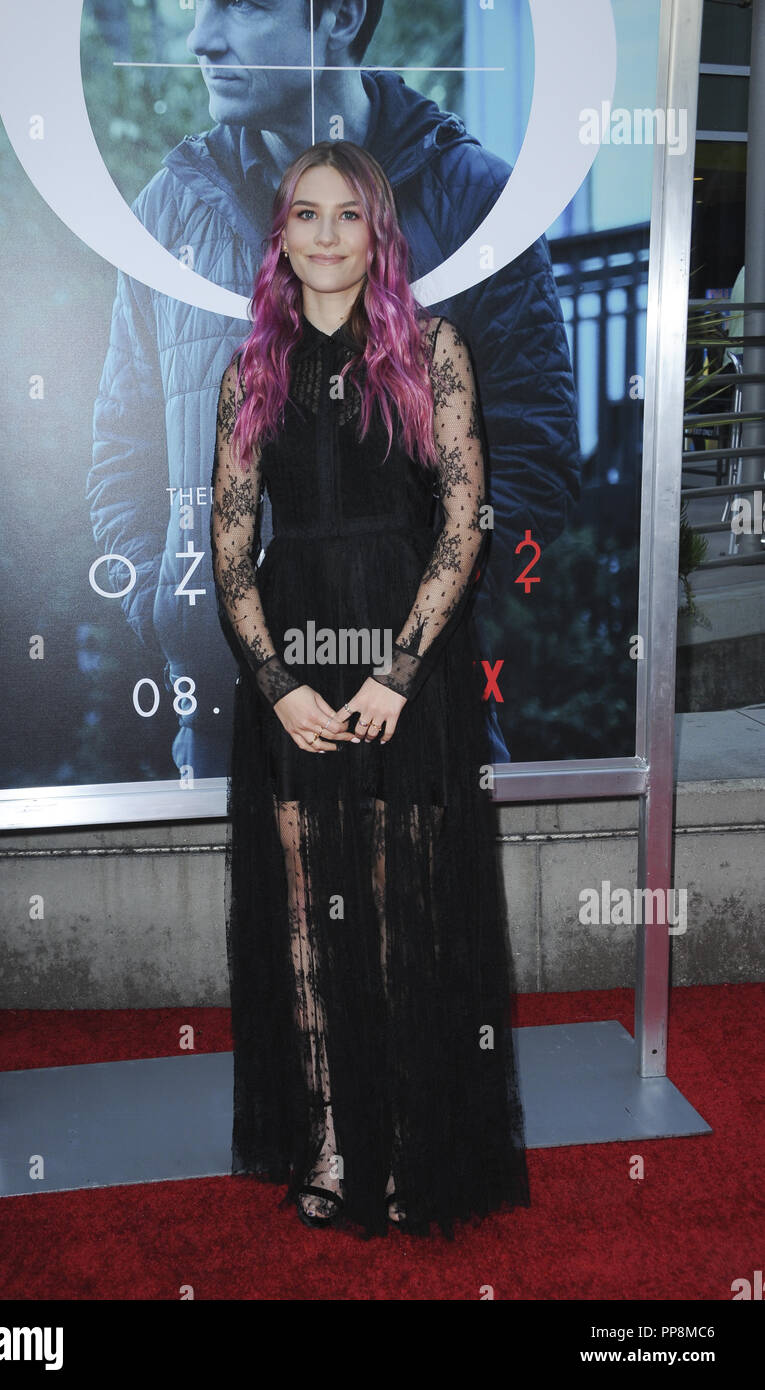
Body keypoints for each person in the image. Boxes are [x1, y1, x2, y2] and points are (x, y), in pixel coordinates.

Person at [88, 0, 580, 778]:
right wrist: (178, 614)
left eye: (242, 5)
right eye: (198, 5)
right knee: (259, 904)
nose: (200, 38)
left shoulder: (477, 202)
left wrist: (404, 633)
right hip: (231, 714)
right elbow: (122, 452)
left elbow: (532, 456)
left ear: (342, 15)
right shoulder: (166, 212)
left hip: (417, 706)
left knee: (423, 903)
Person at [210, 140, 530, 1238]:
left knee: (399, 914)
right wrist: (276, 683)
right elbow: (228, 547)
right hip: (294, 664)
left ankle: (406, 1144)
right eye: (307, 214)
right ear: (281, 235)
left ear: (378, 233)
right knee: (305, 921)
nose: (330, 234)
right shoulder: (248, 371)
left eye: (351, 215)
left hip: (410, 666)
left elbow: (460, 525)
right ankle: (335, 1141)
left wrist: (399, 669)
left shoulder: (434, 350)